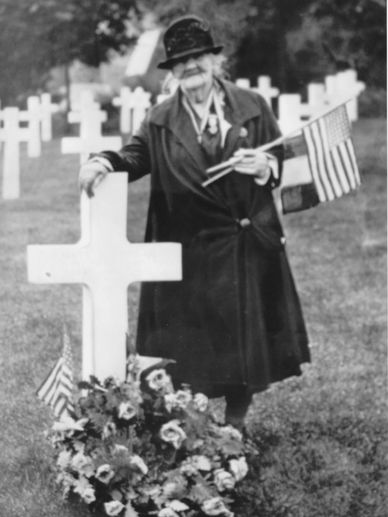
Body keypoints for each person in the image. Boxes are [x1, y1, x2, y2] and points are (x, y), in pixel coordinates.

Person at [79, 15, 310, 431]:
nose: (191, 67)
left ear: (214, 61)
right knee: (195, 343)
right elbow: (135, 157)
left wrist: (265, 166)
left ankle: (236, 419)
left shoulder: (251, 106)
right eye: (180, 62)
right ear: (172, 72)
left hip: (243, 242)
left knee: (243, 340)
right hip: (189, 246)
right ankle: (195, 422)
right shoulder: (161, 119)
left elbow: (284, 163)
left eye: (198, 57)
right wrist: (104, 160)